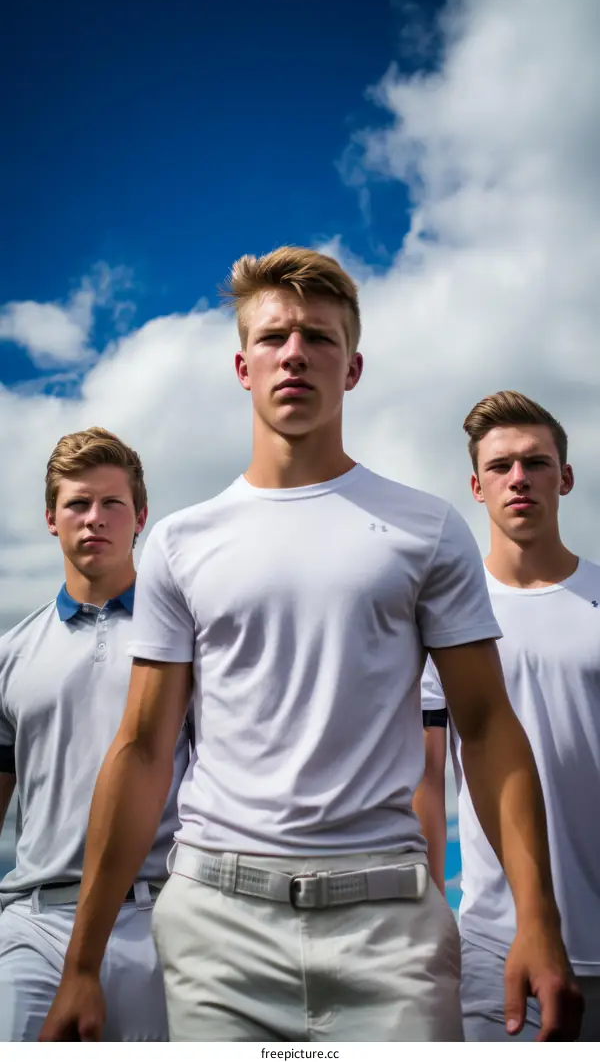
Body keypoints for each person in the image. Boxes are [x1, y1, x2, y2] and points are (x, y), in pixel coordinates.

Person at [42, 250, 580, 1043]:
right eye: (274, 336)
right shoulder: (182, 543)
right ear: (242, 364)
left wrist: (538, 918)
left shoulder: (426, 529)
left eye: (319, 338)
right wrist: (81, 964)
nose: (295, 352)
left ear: (353, 366)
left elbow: (488, 725)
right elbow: (145, 744)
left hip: (389, 931)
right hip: (218, 928)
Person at [418, 390, 600, 1041]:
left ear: (566, 476)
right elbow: (427, 781)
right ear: (476, 484)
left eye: (536, 461)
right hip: (498, 943)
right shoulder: (445, 624)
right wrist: (428, 913)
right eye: (500, 466)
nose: (518, 478)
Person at [0, 427, 191, 1041]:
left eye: (112, 504)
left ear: (140, 517)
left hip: (160, 917)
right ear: (50, 519)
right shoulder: (11, 652)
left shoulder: (191, 640)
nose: (94, 519)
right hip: (35, 921)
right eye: (77, 504)